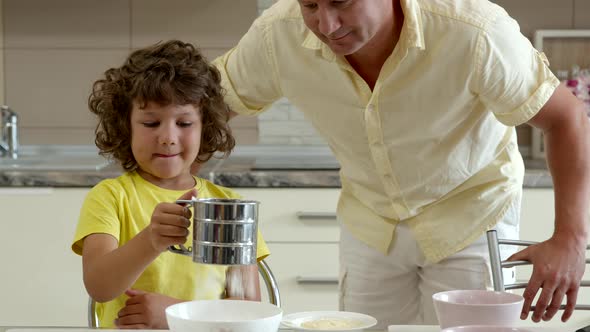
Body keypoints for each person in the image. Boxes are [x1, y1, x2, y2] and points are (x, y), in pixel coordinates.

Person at [212, 0, 590, 327]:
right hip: (372, 221)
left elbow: (566, 118)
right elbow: (203, 106)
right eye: (310, 6)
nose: (326, 26)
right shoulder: (278, 34)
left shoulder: (475, 29)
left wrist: (570, 239)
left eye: (342, 2)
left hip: (471, 215)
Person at [71, 40, 270, 329]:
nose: (167, 137)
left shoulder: (228, 207)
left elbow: (248, 311)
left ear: (206, 127)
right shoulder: (110, 197)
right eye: (151, 124)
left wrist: (176, 313)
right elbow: (99, 286)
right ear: (126, 128)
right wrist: (152, 239)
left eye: (185, 123)